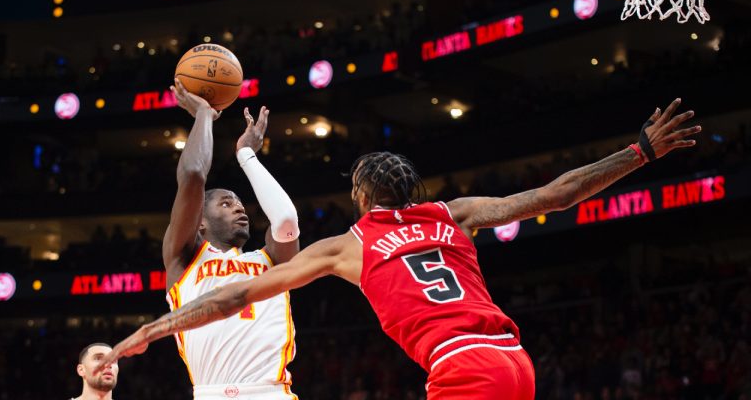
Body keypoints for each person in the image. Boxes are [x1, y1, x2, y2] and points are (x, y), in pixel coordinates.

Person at [101, 99, 701, 399]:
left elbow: (235, 293)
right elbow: (558, 193)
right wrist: (639, 152)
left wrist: (153, 329)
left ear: (362, 200)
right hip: (514, 360)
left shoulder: (347, 245)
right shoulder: (454, 213)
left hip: (460, 365)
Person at [159, 79, 301, 399]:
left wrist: (247, 155)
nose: (239, 208)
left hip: (271, 393)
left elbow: (287, 221)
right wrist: (203, 117)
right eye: (226, 203)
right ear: (200, 224)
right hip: (210, 392)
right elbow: (194, 175)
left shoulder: (270, 260)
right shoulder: (184, 258)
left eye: (239, 202)